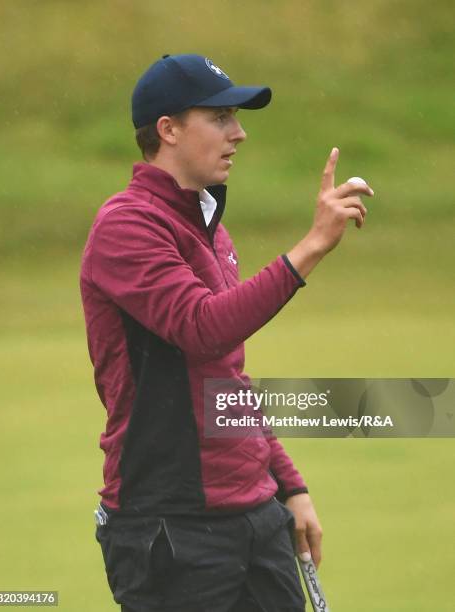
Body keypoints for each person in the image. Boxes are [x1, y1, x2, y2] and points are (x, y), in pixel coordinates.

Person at [80, 53, 373, 612]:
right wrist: (310, 247)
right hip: (170, 530)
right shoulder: (126, 225)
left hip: (255, 516)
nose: (238, 133)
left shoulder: (212, 229)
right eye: (219, 118)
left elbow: (225, 379)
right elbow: (202, 329)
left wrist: (289, 484)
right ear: (167, 130)